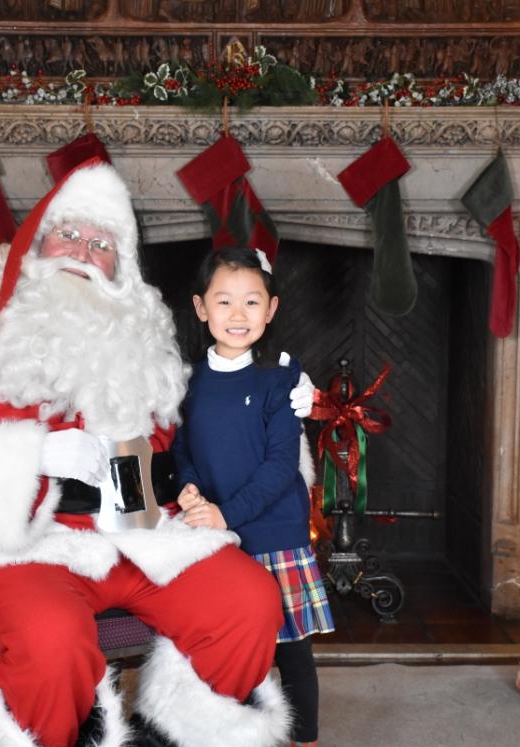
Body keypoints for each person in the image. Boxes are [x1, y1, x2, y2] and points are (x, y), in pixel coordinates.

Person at [0, 161, 306, 747]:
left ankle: (178, 733)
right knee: (53, 634)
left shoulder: (131, 339)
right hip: (7, 550)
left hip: (127, 535)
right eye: (69, 234)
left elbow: (161, 444)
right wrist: (34, 456)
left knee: (247, 598)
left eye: (101, 243)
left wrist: (279, 395)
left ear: (118, 266)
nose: (82, 252)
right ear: (35, 243)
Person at [174, 247, 334, 747]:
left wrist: (227, 513)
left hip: (272, 534)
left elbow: (280, 466)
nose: (237, 315)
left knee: (291, 654)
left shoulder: (279, 380)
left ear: (271, 309)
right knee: (232, 650)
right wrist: (190, 491)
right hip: (213, 536)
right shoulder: (188, 381)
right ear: (201, 309)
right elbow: (183, 448)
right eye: (224, 302)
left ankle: (303, 738)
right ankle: (237, 734)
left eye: (250, 302)